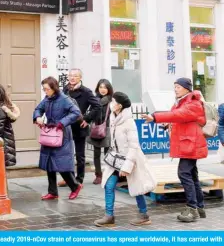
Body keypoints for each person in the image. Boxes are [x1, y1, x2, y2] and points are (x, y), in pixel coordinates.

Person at [143, 77, 207, 223]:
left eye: (178, 87)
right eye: (175, 86)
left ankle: (192, 209)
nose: (175, 89)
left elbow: (178, 115)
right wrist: (167, 125)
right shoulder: (182, 101)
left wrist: (155, 117)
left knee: (183, 173)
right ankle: (200, 207)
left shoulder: (193, 103)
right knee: (192, 175)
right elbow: (177, 118)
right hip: (188, 142)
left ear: (186, 88)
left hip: (191, 143)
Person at [95, 92, 153, 227]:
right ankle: (109, 216)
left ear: (119, 106)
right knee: (109, 186)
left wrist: (127, 166)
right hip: (116, 159)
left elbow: (134, 146)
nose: (111, 103)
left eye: (113, 101)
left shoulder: (129, 122)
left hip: (130, 159)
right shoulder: (113, 118)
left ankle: (144, 215)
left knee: (136, 187)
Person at [34, 76, 83, 201]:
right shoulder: (47, 98)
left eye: (47, 89)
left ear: (53, 88)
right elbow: (38, 108)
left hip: (62, 134)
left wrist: (62, 122)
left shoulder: (64, 99)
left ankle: (75, 186)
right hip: (50, 132)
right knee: (49, 163)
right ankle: (53, 192)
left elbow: (76, 112)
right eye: (43, 89)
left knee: (61, 164)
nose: (45, 91)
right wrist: (38, 117)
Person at [62, 68, 101, 185]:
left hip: (79, 126)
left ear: (80, 78)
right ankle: (69, 178)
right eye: (70, 76)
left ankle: (79, 179)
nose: (72, 78)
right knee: (66, 154)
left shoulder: (86, 92)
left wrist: (87, 119)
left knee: (80, 155)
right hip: (66, 126)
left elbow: (97, 107)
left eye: (75, 76)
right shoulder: (65, 90)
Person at [88, 79, 113, 185]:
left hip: (107, 128)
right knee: (96, 153)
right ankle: (98, 175)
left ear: (109, 89)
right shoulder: (94, 99)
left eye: (105, 87)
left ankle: (108, 174)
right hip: (96, 128)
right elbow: (90, 113)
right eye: (100, 87)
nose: (103, 90)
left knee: (108, 153)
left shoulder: (112, 100)